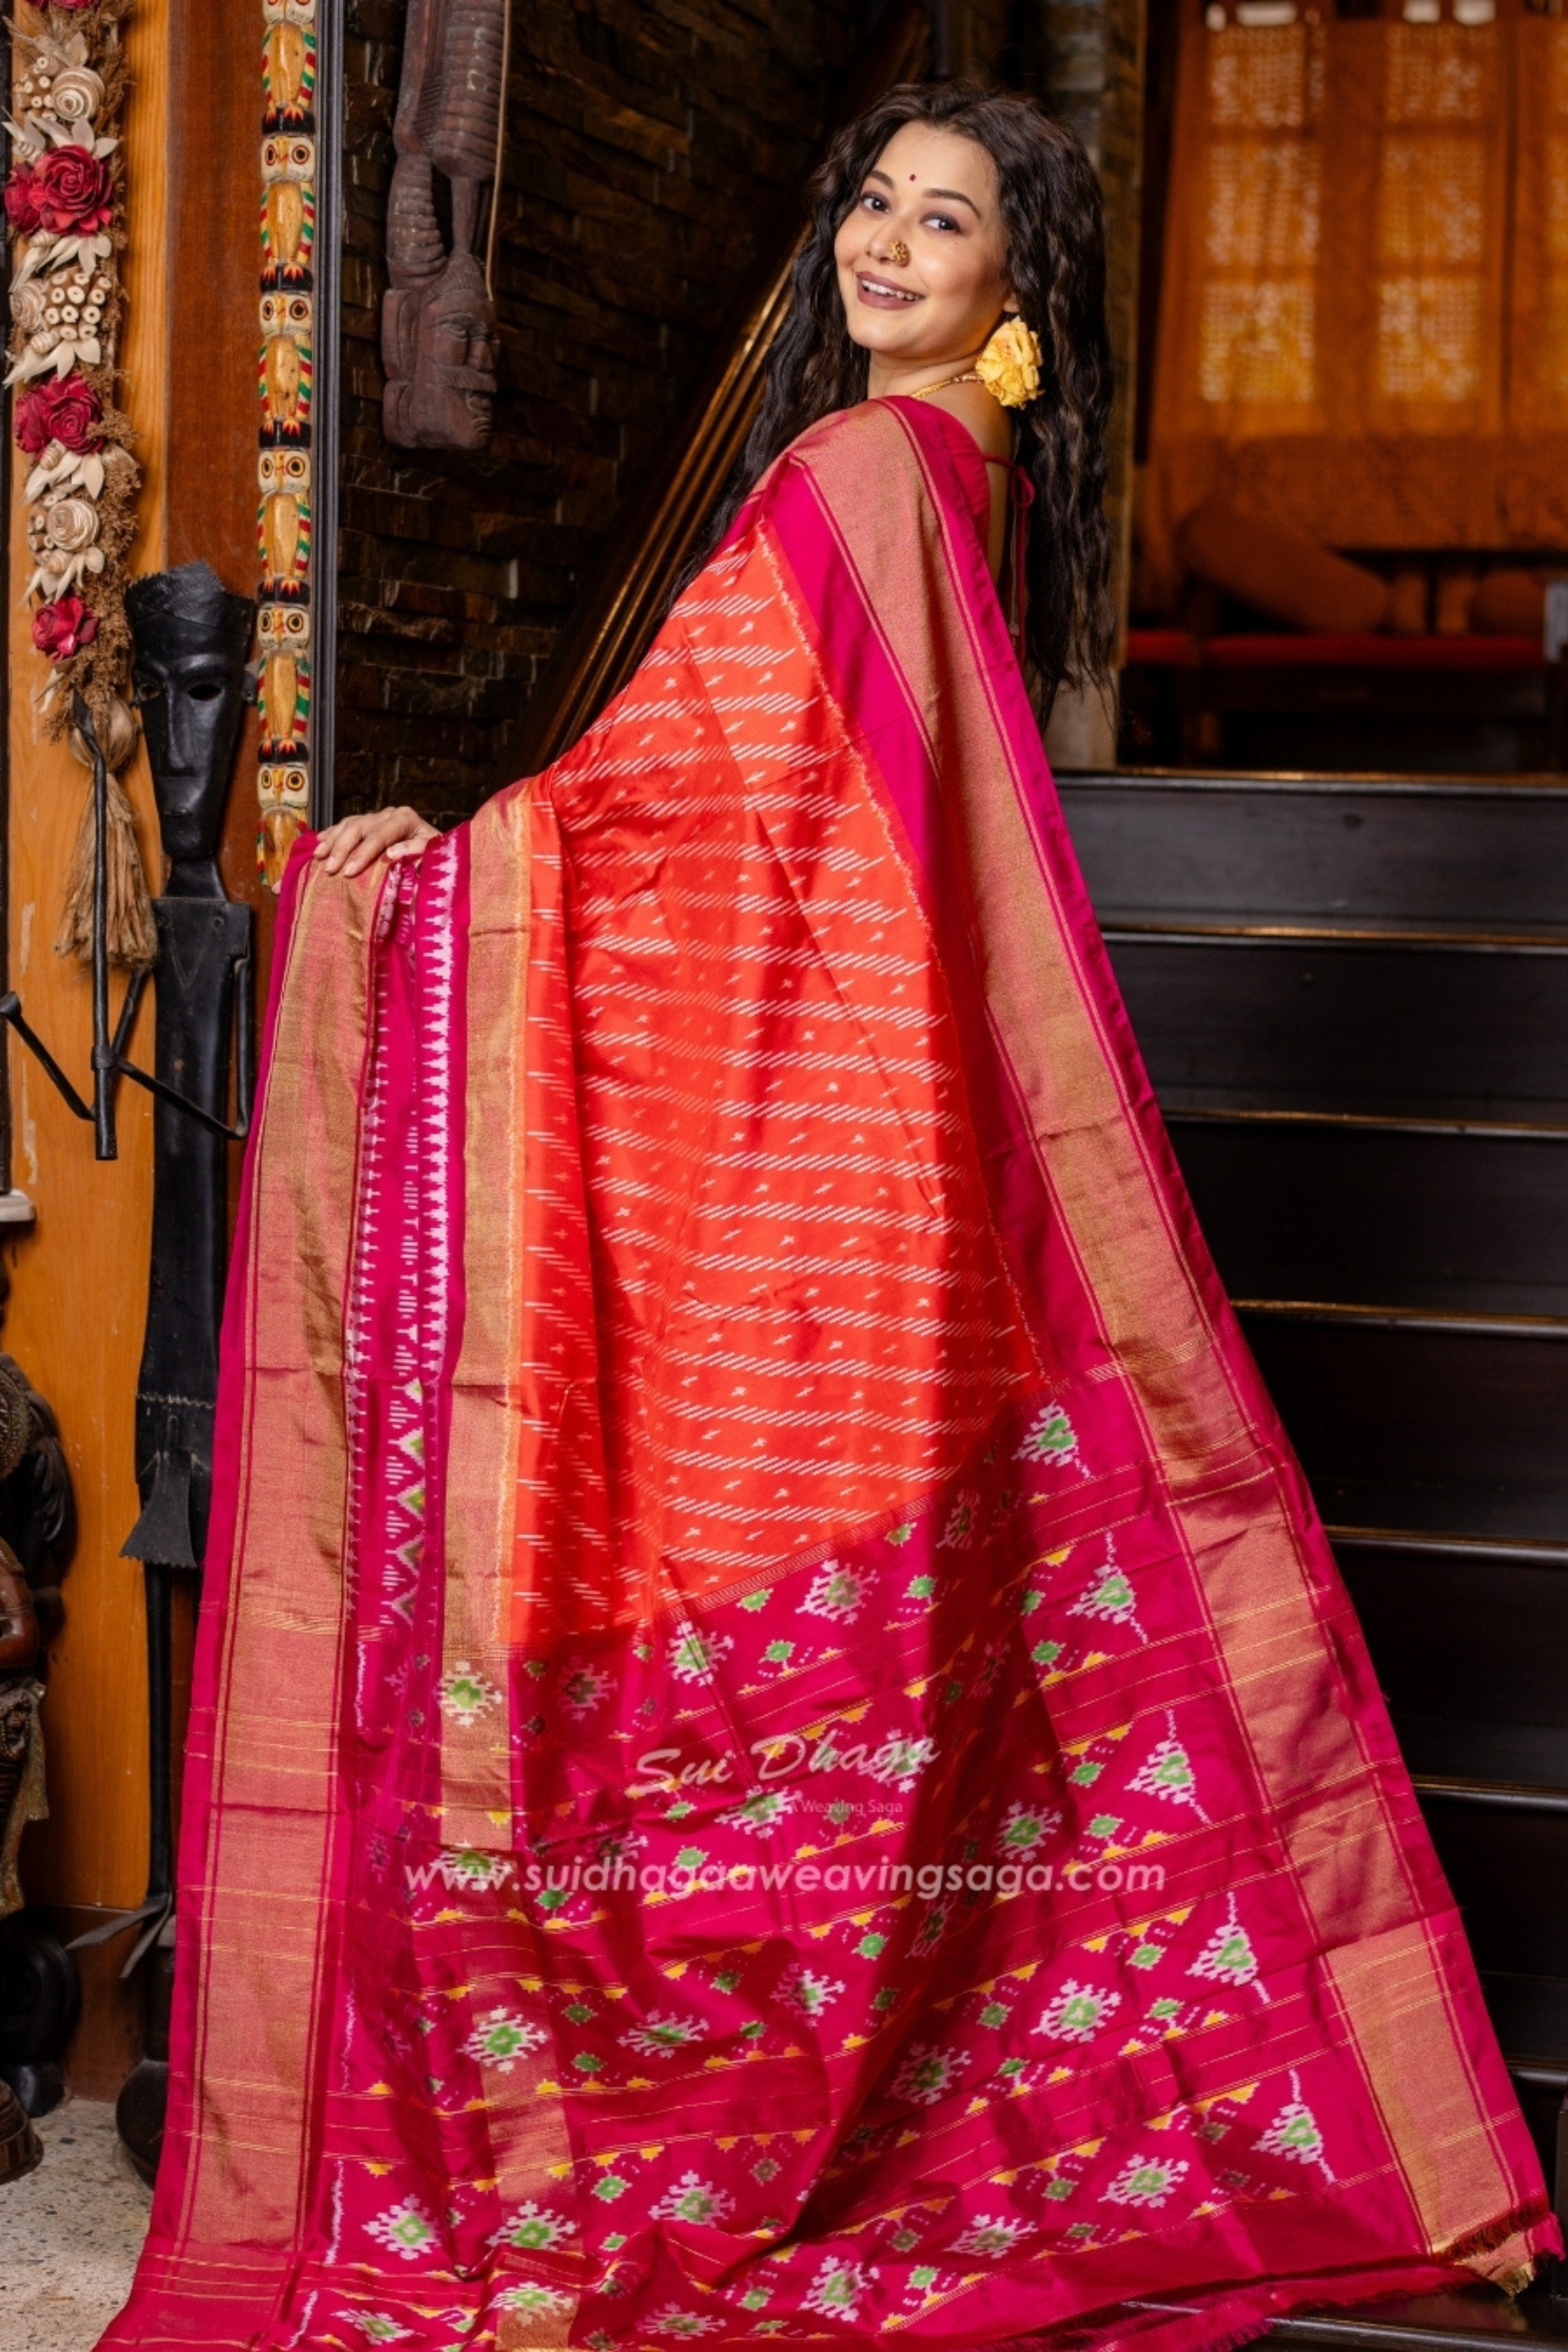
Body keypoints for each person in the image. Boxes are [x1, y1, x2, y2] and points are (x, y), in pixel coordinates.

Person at [103, 82, 1554, 2352]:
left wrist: (429, 884)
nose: (887, 243)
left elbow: (683, 799)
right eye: (871, 202)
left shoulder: (867, 473)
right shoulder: (940, 480)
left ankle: (636, 2125)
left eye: (945, 220)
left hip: (822, 1177)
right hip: (878, 1174)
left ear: (1017, 293)